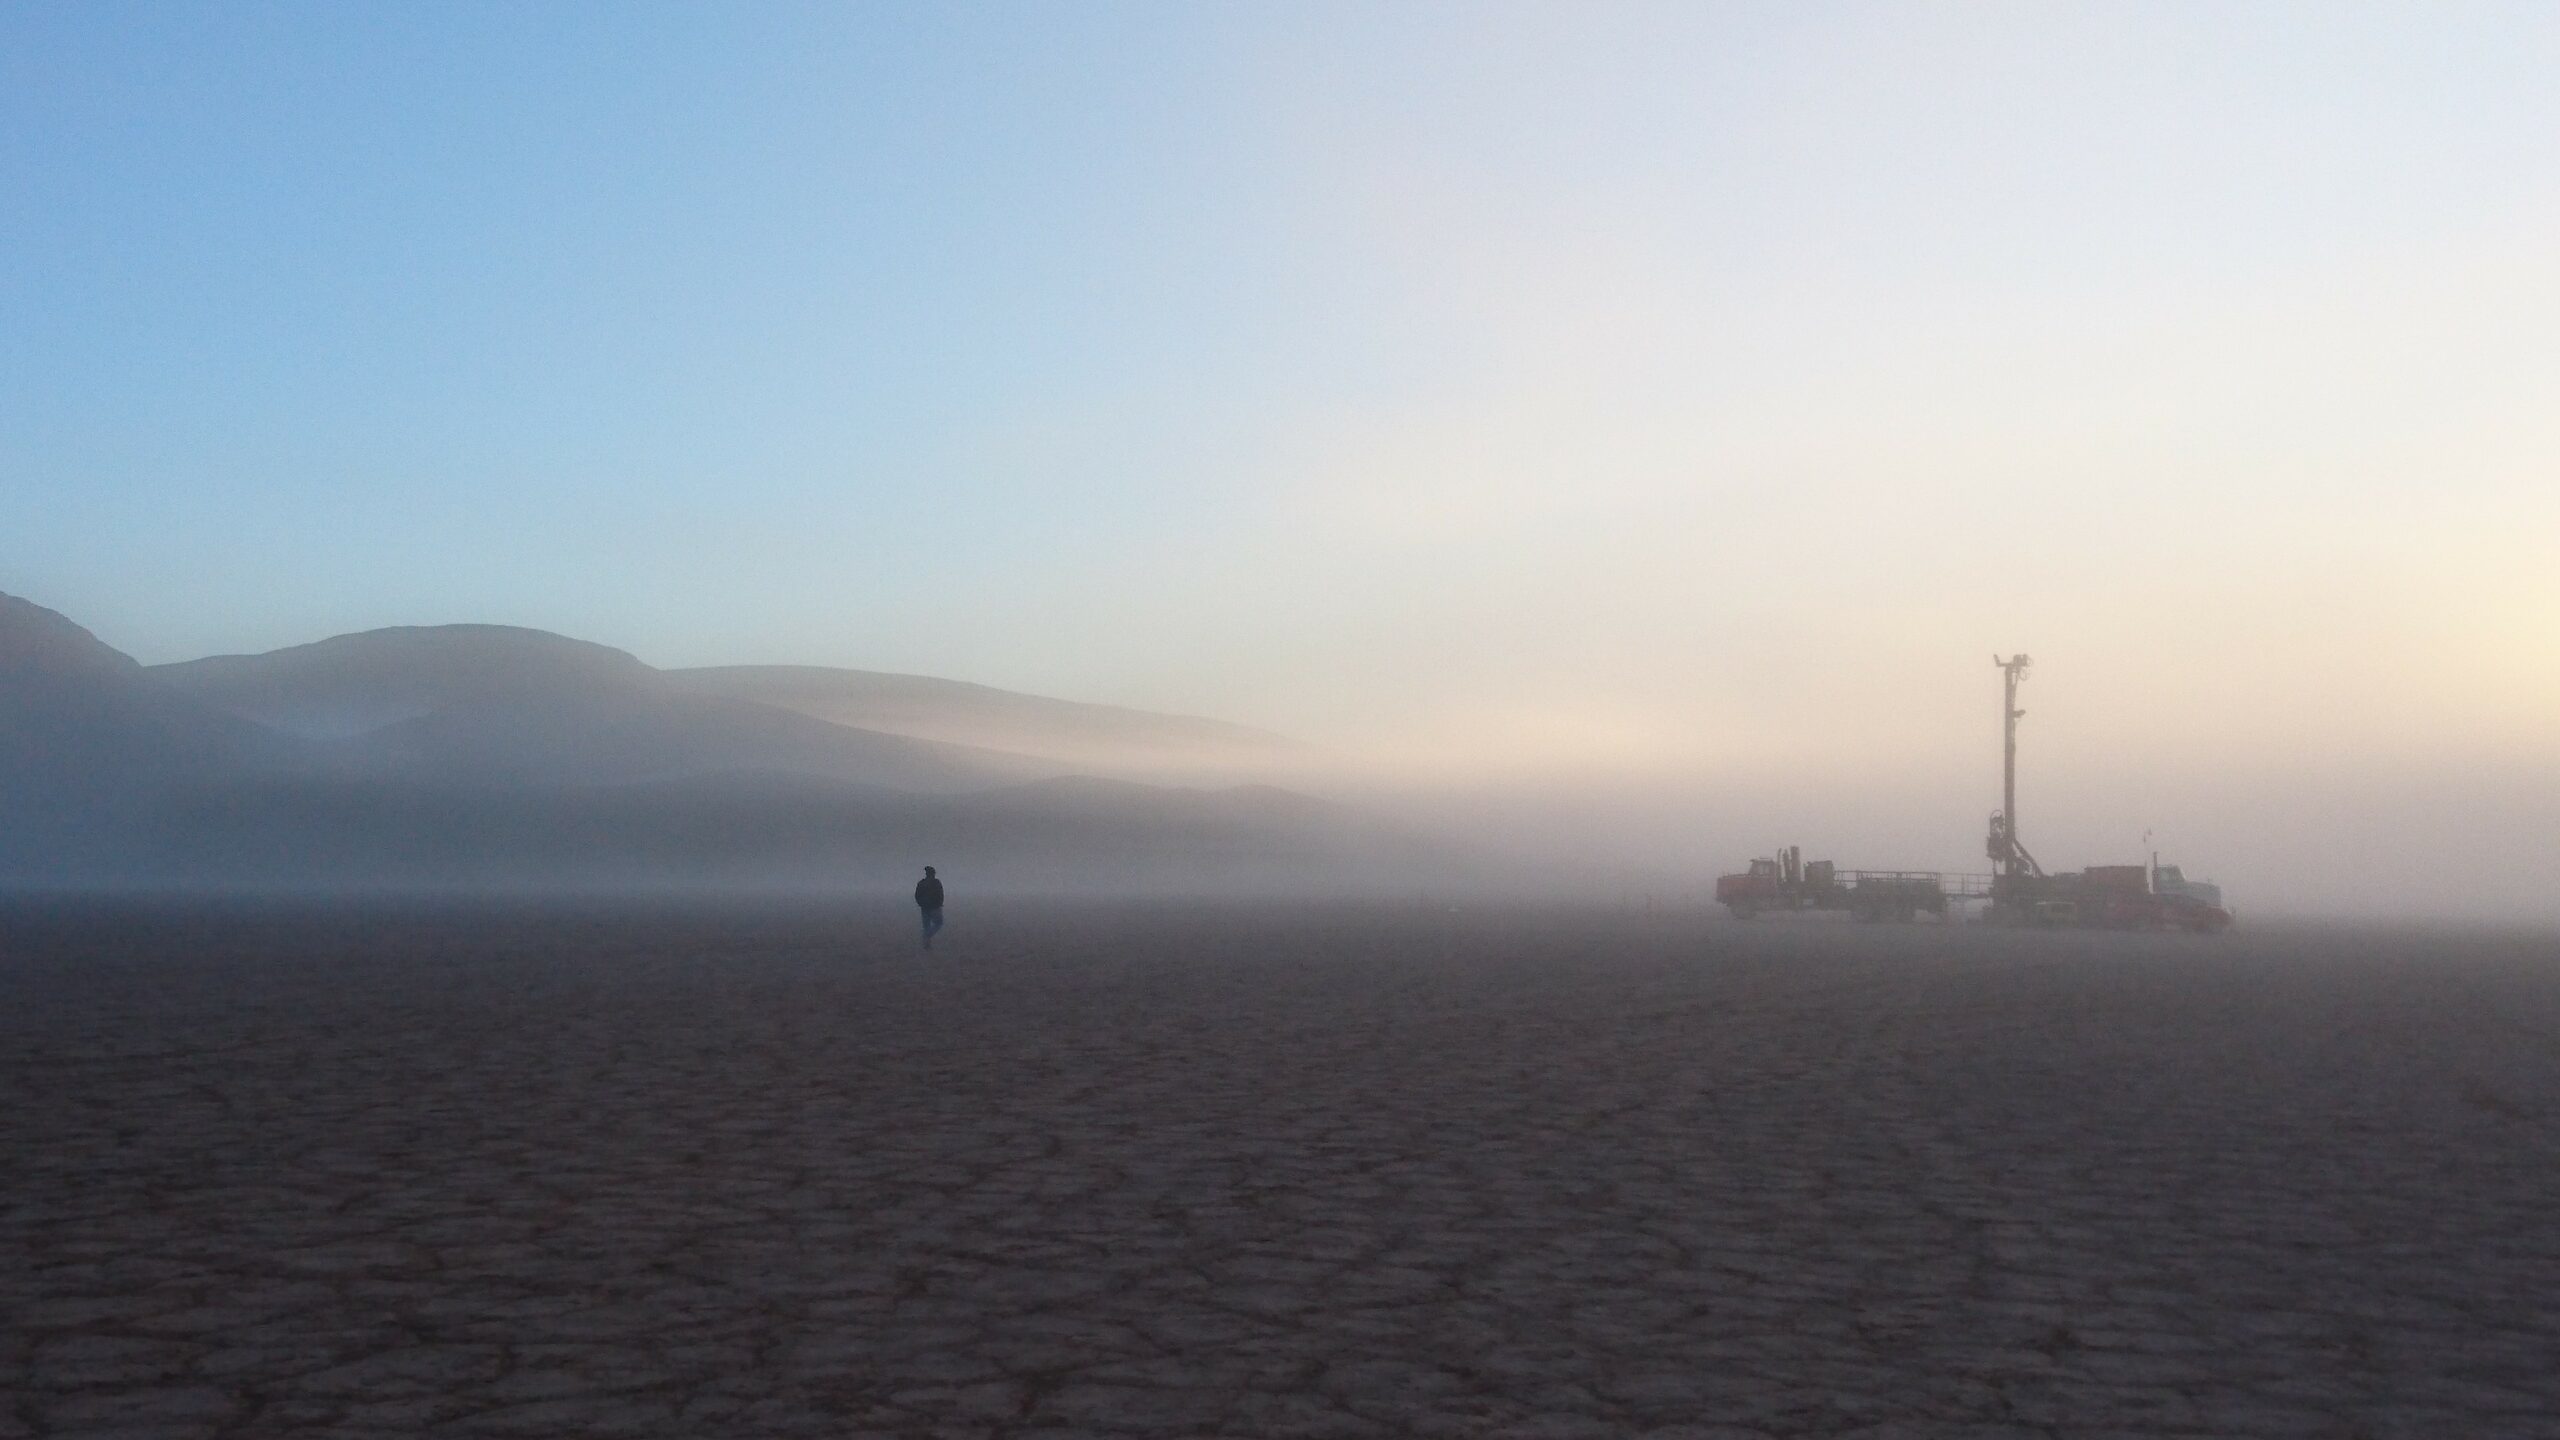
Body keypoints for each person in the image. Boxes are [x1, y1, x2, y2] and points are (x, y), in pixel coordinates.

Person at [913, 865, 945, 950]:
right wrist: (939, 903)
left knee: (926, 926)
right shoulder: (936, 882)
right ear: (933, 874)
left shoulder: (921, 883)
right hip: (935, 907)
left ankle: (927, 943)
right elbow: (940, 894)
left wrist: (920, 904)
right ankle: (927, 937)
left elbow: (917, 895)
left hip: (924, 907)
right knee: (938, 923)